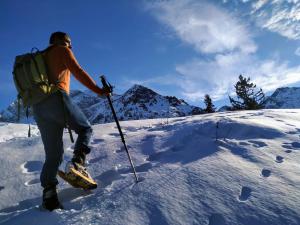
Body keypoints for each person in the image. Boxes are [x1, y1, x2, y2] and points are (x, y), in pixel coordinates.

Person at [32, 31, 110, 211]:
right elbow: (78, 71)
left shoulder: (40, 58)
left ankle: (49, 195)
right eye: (69, 42)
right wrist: (100, 91)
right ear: (60, 41)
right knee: (85, 129)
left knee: (53, 154)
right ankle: (77, 164)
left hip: (38, 108)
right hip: (56, 99)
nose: (71, 46)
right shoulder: (61, 50)